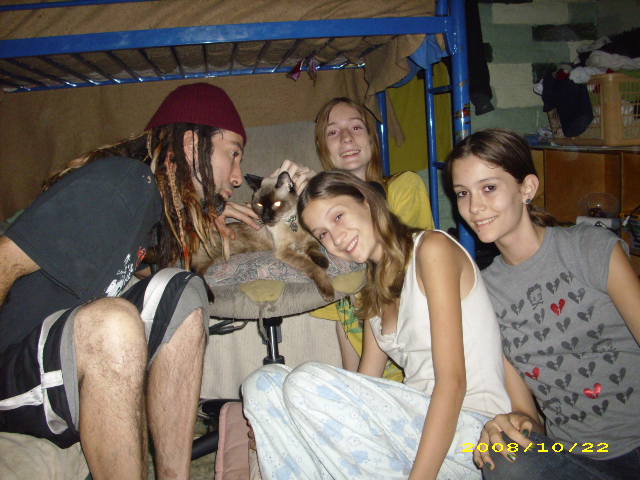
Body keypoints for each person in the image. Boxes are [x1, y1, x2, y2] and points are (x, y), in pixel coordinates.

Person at [0, 82, 259, 479]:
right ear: (192, 145)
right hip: (14, 373)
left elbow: (153, 283)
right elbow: (4, 259)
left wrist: (204, 218)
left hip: (57, 364)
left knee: (180, 289)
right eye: (233, 154)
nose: (238, 176)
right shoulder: (123, 183)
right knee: (114, 322)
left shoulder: (148, 205)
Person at [242, 170, 538, 479]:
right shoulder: (373, 293)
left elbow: (453, 383)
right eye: (323, 234)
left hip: (472, 431)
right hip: (414, 423)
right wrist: (285, 423)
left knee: (306, 382)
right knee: (263, 385)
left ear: (367, 202)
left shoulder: (431, 249)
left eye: (339, 217)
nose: (336, 238)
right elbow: (361, 388)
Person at [447, 128, 640, 479]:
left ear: (527, 188)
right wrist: (512, 424)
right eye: (463, 193)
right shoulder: (484, 295)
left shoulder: (590, 249)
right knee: (501, 457)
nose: (474, 207)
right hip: (577, 458)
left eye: (488, 188)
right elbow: (529, 415)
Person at [279, 97, 436, 381]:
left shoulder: (403, 186)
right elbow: (345, 321)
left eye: (356, 127)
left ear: (372, 139)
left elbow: (400, 264)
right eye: (333, 132)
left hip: (419, 372)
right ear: (323, 148)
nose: (347, 138)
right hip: (373, 379)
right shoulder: (324, 228)